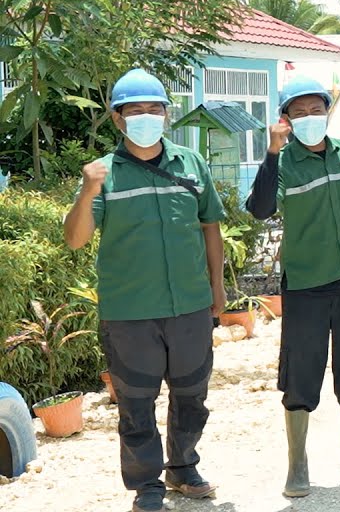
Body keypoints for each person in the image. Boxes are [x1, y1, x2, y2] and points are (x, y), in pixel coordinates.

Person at [63, 69, 226, 512]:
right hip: (130, 313)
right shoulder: (105, 175)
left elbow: (210, 225)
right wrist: (86, 189)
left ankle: (183, 466)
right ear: (118, 119)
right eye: (135, 110)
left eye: (155, 108)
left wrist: (218, 288)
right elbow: (75, 238)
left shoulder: (191, 164)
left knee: (192, 394)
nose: (147, 117)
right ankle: (147, 485)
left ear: (166, 114)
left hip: (190, 306)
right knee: (136, 403)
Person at [244, 75, 340, 498]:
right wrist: (273, 153)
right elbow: (260, 208)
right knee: (300, 378)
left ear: (327, 111)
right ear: (286, 120)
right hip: (305, 288)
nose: (310, 117)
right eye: (299, 112)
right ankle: (298, 468)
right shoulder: (284, 163)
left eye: (317, 109)